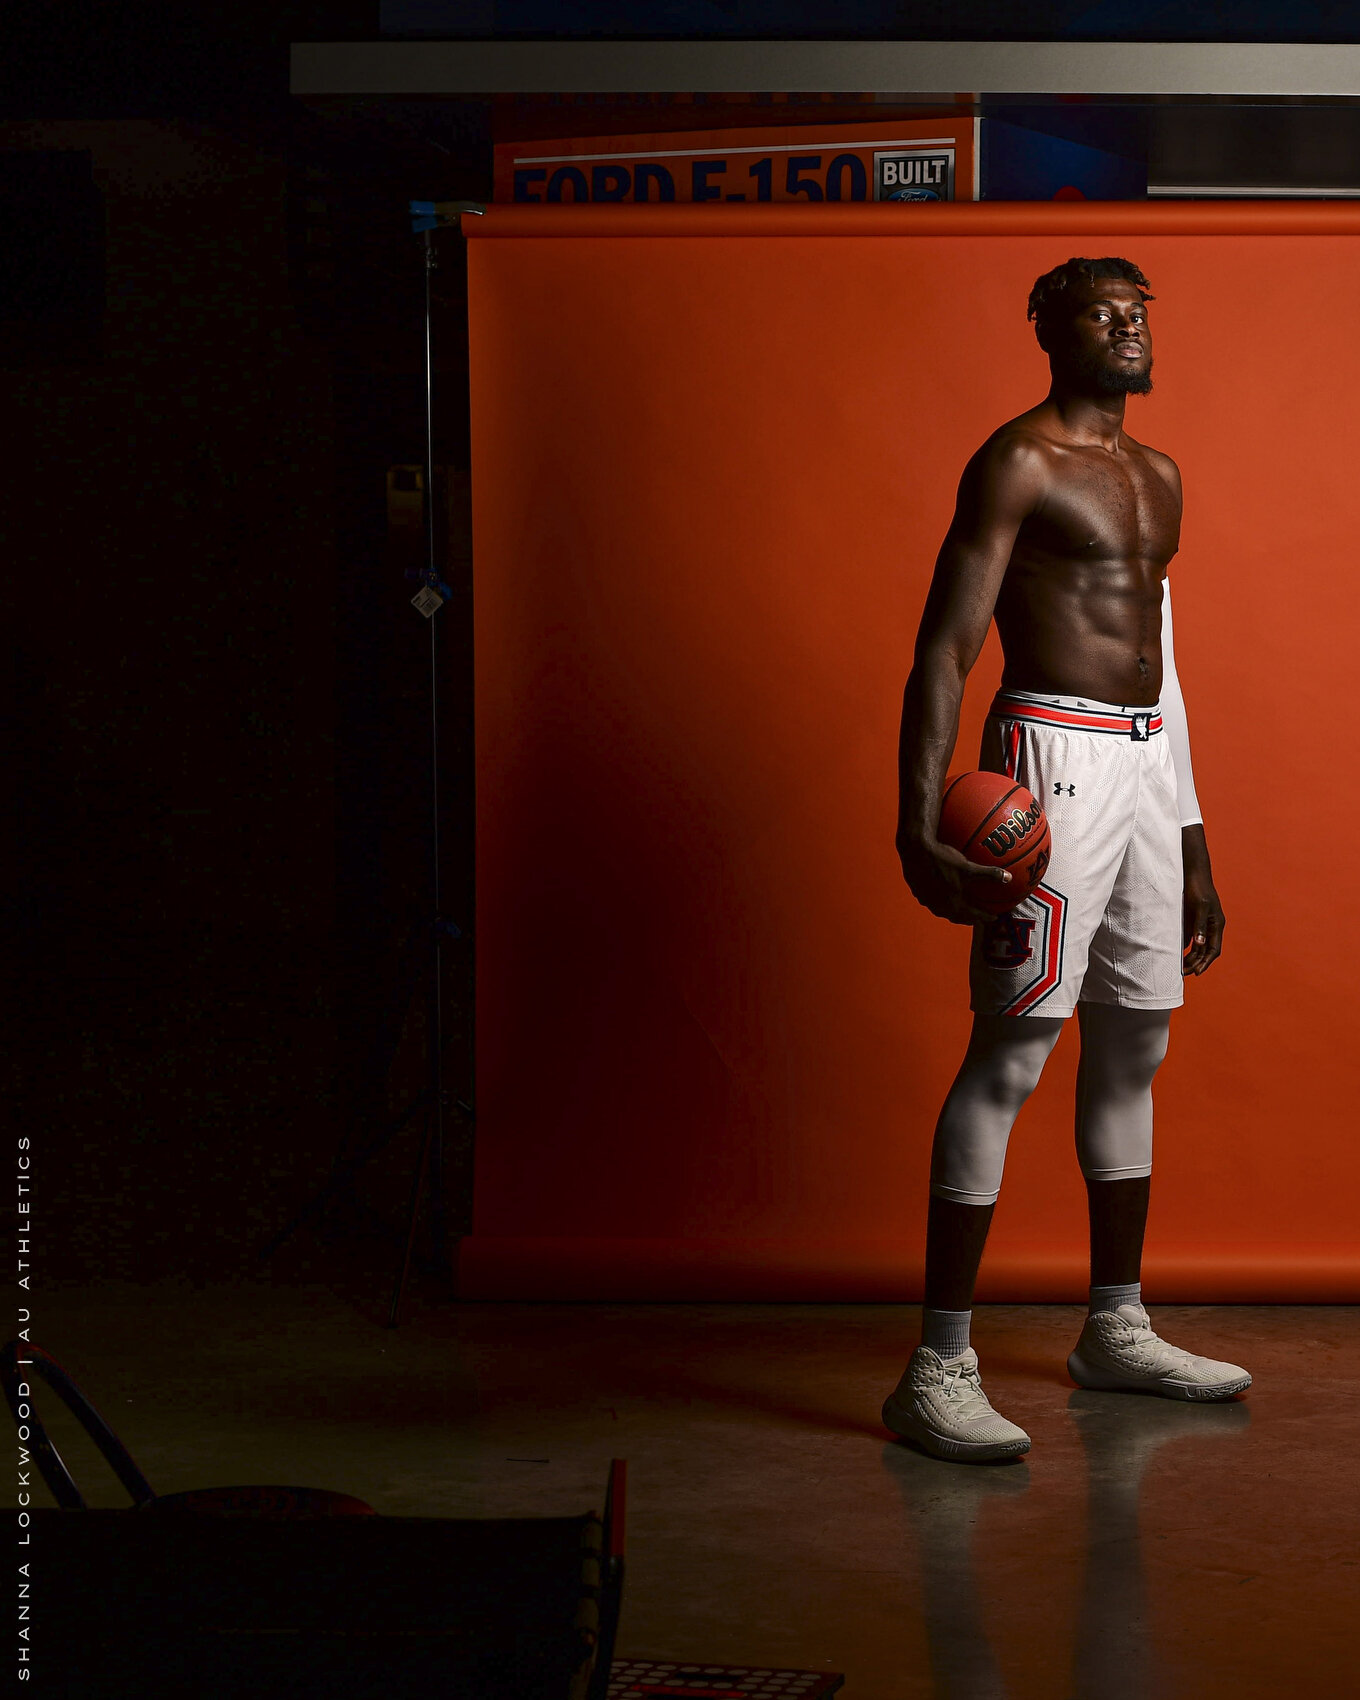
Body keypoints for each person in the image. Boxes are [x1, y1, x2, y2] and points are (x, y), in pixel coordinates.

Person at [882, 257, 1251, 1463]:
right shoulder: (1018, 461)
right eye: (1101, 312)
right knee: (1014, 1049)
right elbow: (945, 647)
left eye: (1140, 311)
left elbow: (1165, 655)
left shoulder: (1158, 476)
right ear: (1048, 330)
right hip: (1051, 759)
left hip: (1145, 766)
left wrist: (1189, 833)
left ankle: (1116, 1325)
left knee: (1136, 1036)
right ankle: (937, 1364)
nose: (1129, 328)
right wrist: (915, 822)